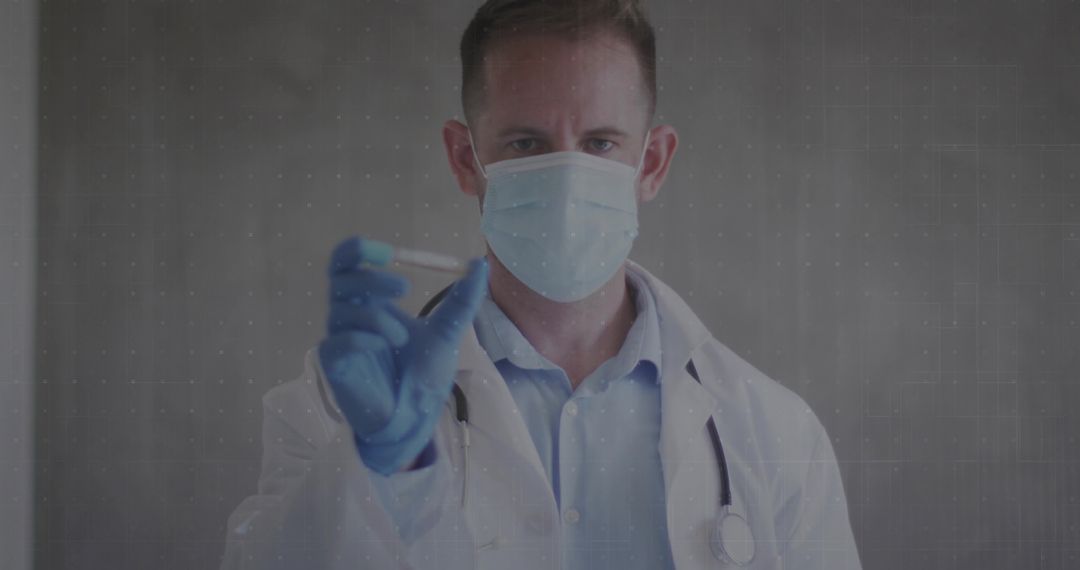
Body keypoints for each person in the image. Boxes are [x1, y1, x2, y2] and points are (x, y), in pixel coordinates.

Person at [221, 1, 862, 569]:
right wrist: (375, 464)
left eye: (601, 143)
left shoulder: (774, 431)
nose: (566, 179)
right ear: (466, 160)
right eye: (526, 142)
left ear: (653, 162)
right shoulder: (342, 405)